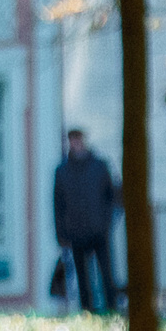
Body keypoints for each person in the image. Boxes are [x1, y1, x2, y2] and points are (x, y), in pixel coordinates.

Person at [52, 128, 118, 315]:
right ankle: (87, 311)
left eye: (78, 139)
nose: (75, 143)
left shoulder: (99, 166)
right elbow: (58, 205)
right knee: (82, 276)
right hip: (76, 232)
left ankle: (112, 308)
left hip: (99, 230)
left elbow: (110, 197)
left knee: (106, 272)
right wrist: (61, 234)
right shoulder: (62, 171)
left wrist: (105, 223)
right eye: (72, 140)